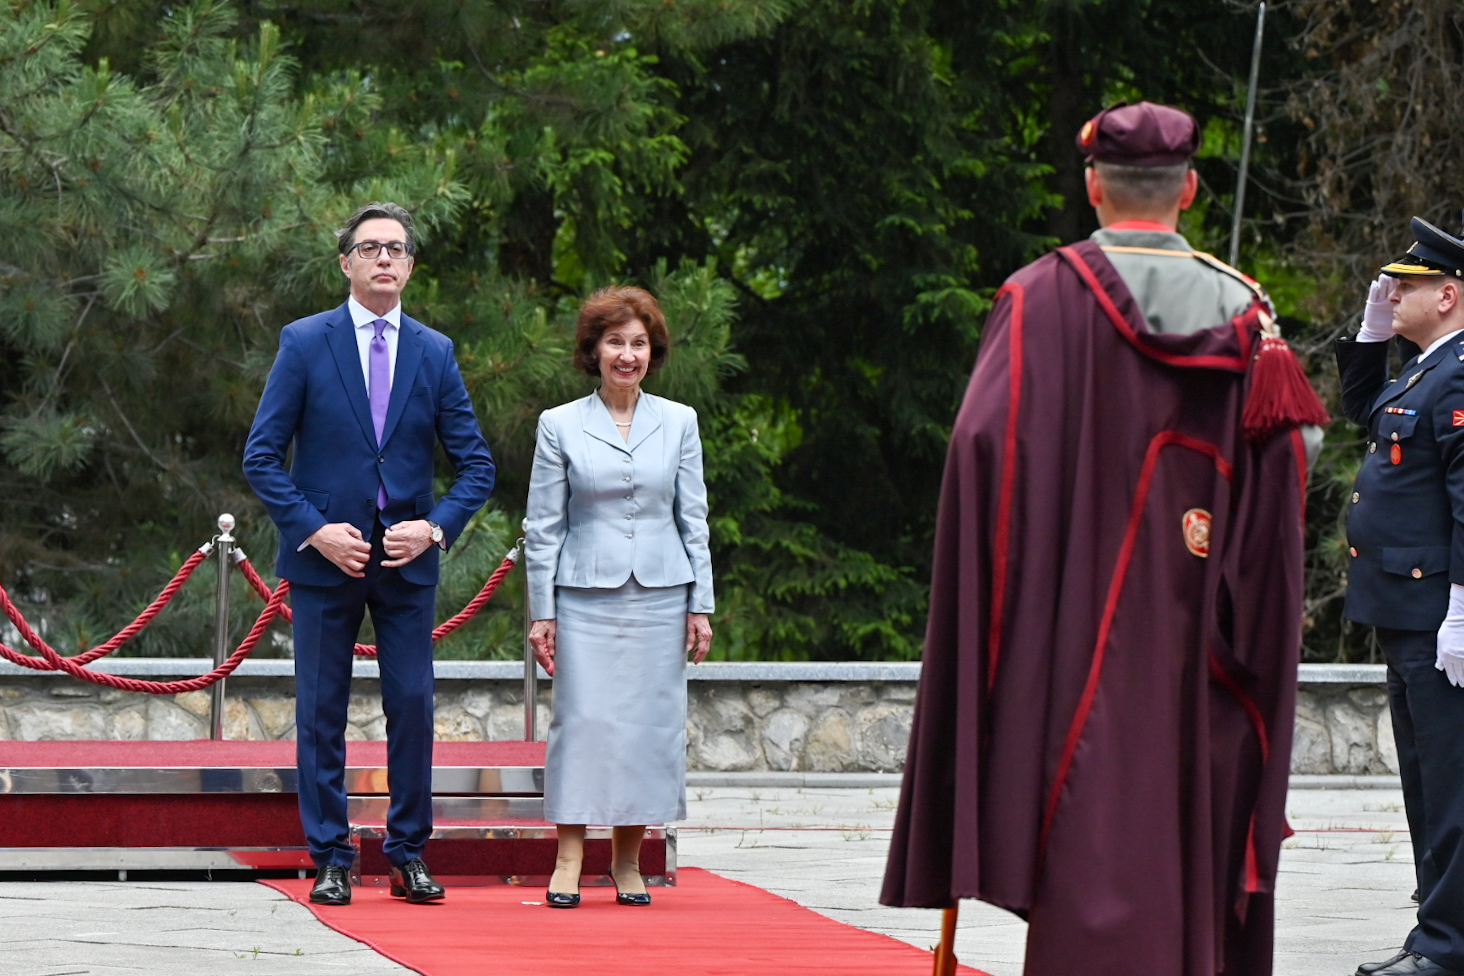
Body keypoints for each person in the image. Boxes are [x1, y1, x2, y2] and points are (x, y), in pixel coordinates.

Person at [881, 102, 1328, 976]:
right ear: (1188, 190)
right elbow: (1291, 459)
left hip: (1068, 639)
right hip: (1198, 642)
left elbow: (981, 451)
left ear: (1093, 186)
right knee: (1178, 828)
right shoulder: (1247, 310)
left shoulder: (1038, 298)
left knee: (1084, 822)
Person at [243, 202, 495, 906]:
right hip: (325, 560)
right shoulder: (304, 342)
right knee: (321, 712)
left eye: (396, 248)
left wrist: (434, 528)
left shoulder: (434, 351)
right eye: (370, 247)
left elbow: (476, 466)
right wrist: (315, 529)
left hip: (406, 563)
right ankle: (330, 856)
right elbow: (261, 457)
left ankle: (408, 854)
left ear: (410, 266)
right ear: (345, 263)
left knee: (412, 706)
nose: (384, 258)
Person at [524, 286, 714, 908]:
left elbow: (694, 519)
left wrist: (701, 604)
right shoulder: (559, 424)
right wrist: (543, 612)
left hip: (663, 596)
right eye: (615, 342)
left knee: (648, 727)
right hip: (583, 597)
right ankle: (569, 859)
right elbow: (544, 527)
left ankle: (628, 861)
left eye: (638, 343)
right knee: (581, 723)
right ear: (594, 350)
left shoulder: (680, 421)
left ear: (651, 352)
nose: (627, 355)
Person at [1337, 217, 1464, 976]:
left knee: (1450, 786)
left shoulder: (1460, 373)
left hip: (1435, 612)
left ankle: (1447, 947)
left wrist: (1463, 611)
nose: (1392, 293)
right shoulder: (1425, 368)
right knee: (1425, 781)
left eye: (1406, 286)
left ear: (1448, 295)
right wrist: (1371, 332)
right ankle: (1436, 930)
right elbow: (1363, 409)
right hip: (1403, 611)